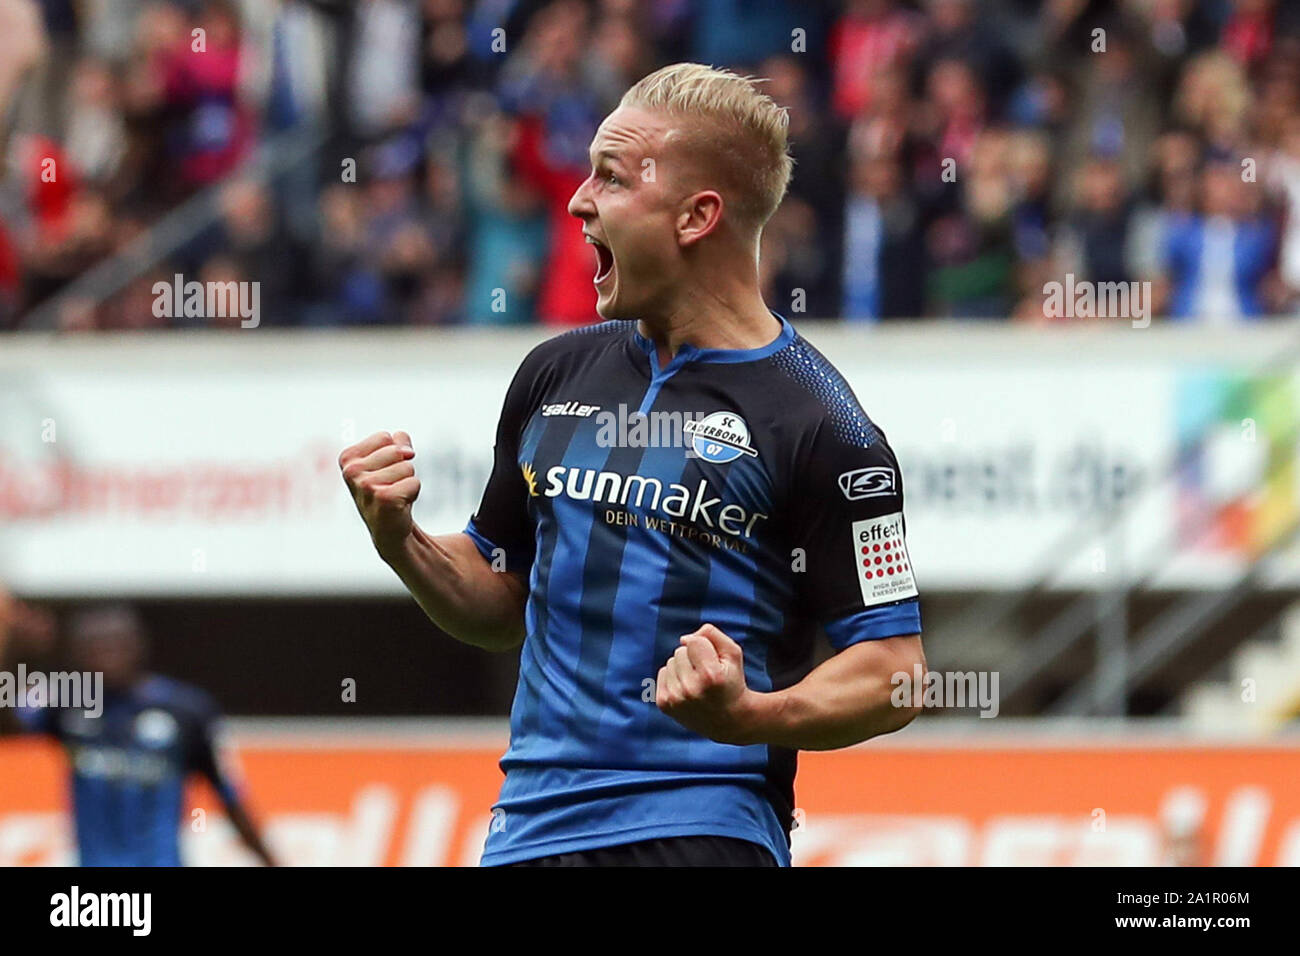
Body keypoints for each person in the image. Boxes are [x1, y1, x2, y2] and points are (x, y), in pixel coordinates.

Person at [340, 63, 925, 867]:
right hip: (527, 833)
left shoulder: (823, 422)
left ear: (696, 216)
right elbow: (498, 594)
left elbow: (895, 671)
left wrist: (751, 714)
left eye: (609, 179)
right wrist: (399, 539)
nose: (578, 202)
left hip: (698, 832)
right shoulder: (553, 374)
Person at [0, 602, 276, 866]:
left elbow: (231, 799)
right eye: (94, 647)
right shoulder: (66, 702)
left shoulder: (187, 710)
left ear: (138, 644)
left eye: (115, 644)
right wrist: (10, 645)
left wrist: (272, 862)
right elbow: (8, 718)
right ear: (77, 653)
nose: (106, 655)